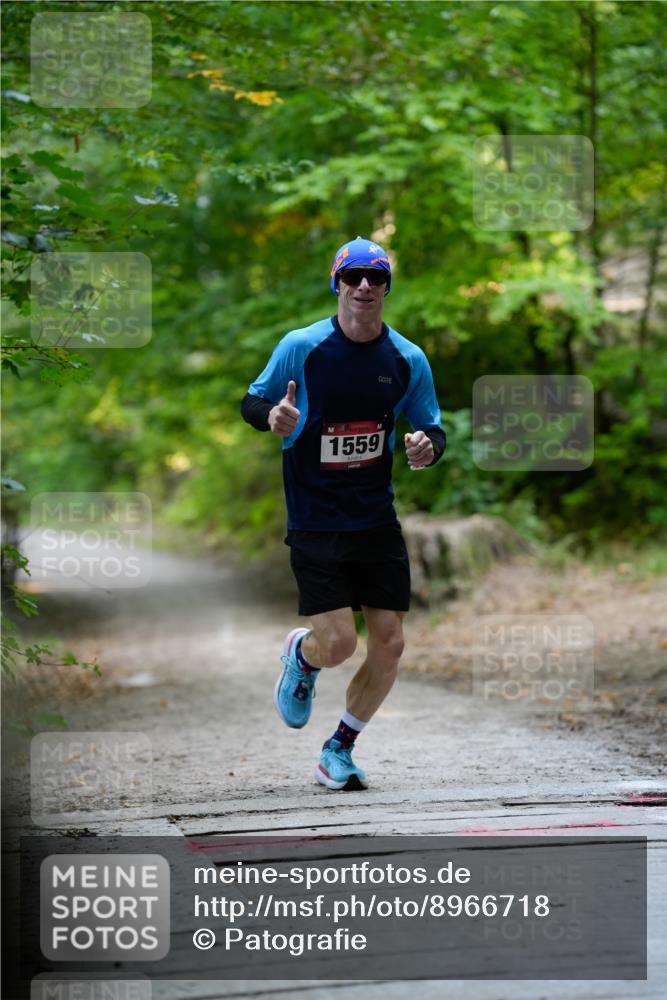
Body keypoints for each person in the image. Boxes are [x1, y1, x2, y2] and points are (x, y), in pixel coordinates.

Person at [241, 237, 445, 790]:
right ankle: (302, 657)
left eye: (375, 278)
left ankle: (339, 749)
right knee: (338, 646)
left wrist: (428, 446)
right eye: (352, 277)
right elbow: (253, 400)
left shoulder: (406, 358)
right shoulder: (301, 346)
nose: (363, 287)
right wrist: (273, 418)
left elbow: (430, 425)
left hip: (376, 518)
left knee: (391, 642)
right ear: (337, 283)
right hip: (315, 518)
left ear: (385, 288)